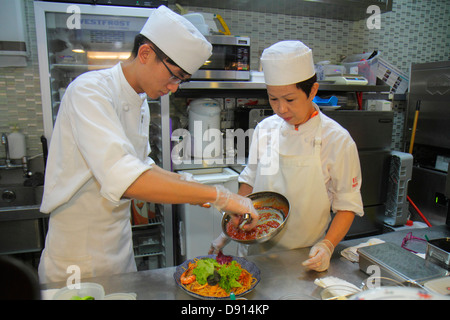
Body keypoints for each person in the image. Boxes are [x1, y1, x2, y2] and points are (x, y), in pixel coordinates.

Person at [38, 5, 258, 284]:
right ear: (145, 54)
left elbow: (140, 166)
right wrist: (220, 196)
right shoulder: (89, 91)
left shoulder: (139, 101)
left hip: (118, 248)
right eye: (174, 75)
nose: (175, 87)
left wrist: (192, 185)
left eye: (182, 80)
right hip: (77, 255)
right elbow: (127, 178)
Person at [210, 40, 364, 272]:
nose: (281, 109)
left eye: (290, 99)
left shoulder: (338, 140)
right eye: (273, 99)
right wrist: (227, 233)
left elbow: (347, 204)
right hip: (255, 253)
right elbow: (249, 182)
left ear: (312, 90)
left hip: (303, 258)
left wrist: (328, 245)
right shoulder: (265, 128)